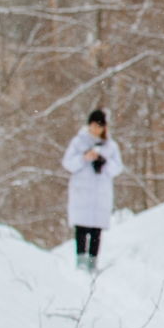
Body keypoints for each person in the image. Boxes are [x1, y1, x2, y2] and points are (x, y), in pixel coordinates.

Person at [60, 109, 122, 273]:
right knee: (82, 228)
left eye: (99, 126)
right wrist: (84, 158)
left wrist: (104, 163)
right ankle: (80, 261)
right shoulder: (78, 142)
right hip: (82, 191)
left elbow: (117, 168)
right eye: (93, 126)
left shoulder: (110, 146)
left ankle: (93, 263)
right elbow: (68, 163)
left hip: (100, 193)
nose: (96, 129)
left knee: (96, 229)